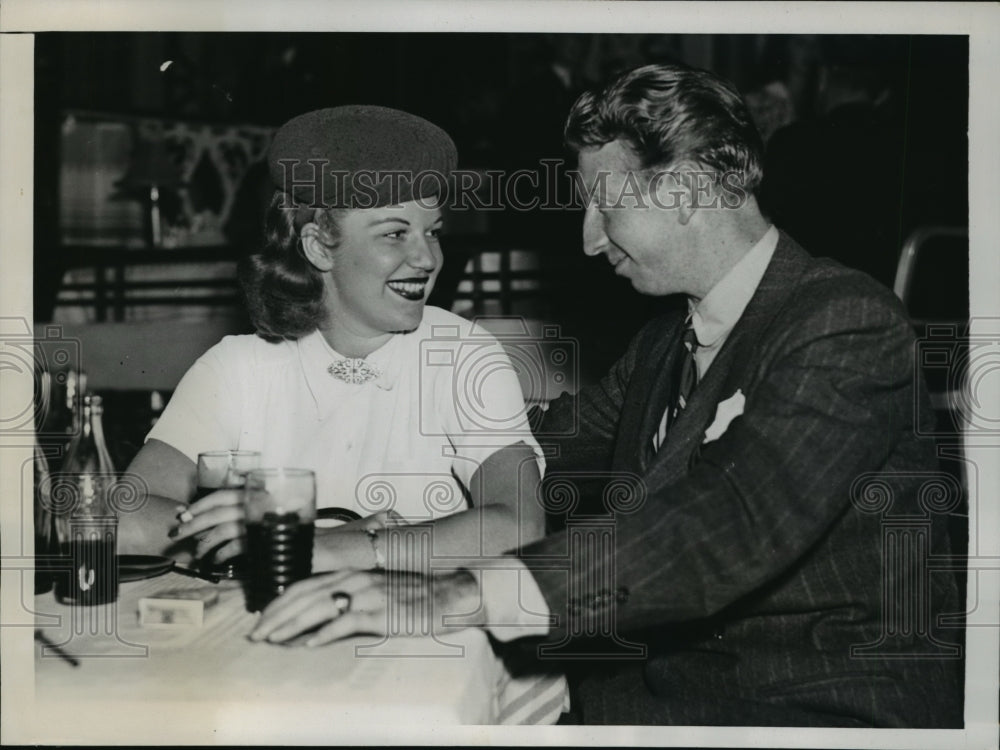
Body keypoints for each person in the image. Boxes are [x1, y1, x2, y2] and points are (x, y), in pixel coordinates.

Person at [247, 65, 965, 728]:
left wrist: (458, 593)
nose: (590, 241)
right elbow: (529, 446)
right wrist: (328, 481)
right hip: (657, 706)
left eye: (602, 207)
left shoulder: (843, 322)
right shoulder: (665, 343)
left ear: (684, 191)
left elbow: (726, 522)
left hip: (816, 713)